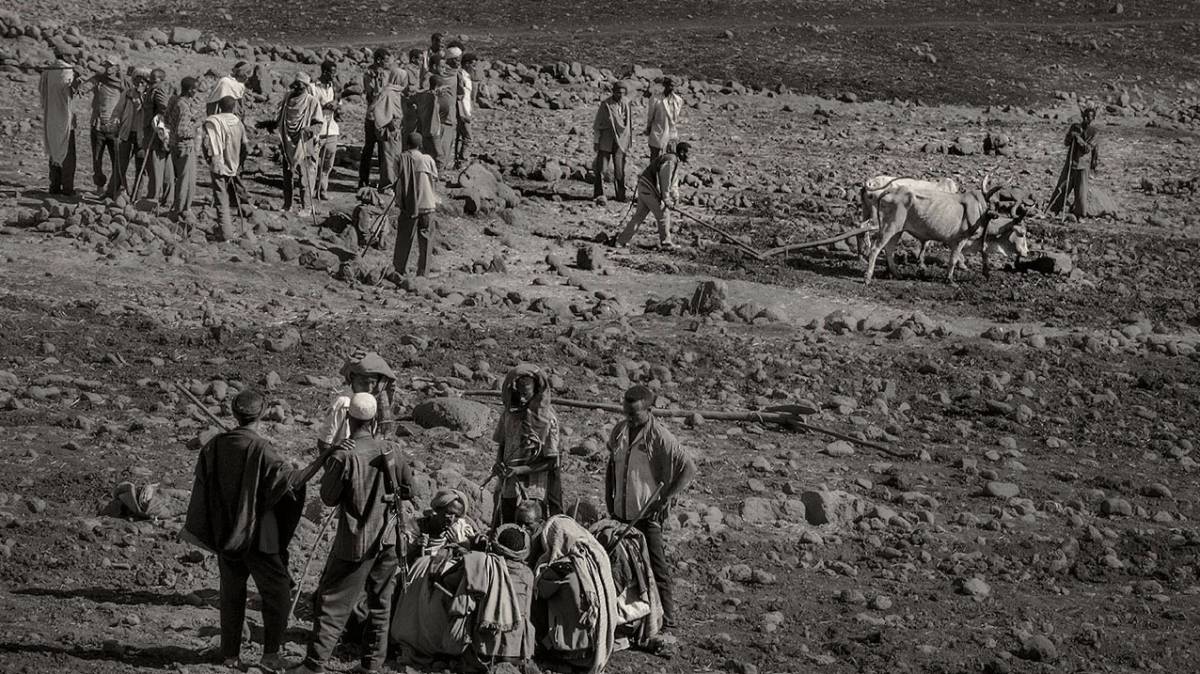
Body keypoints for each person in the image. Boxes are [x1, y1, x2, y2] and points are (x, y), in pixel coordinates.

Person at [289, 393, 412, 674]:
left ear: (349, 419)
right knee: (380, 604)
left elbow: (329, 498)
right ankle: (371, 666)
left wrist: (333, 454)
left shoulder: (344, 454)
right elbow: (410, 490)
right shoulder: (391, 449)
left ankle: (315, 665)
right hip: (389, 541)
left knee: (333, 602)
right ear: (375, 420)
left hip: (356, 541)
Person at [181, 389, 303, 671]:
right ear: (261, 415)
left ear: (235, 414)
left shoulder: (215, 446)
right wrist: (303, 467)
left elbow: (206, 486)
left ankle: (229, 655)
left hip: (226, 533)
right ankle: (271, 655)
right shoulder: (262, 449)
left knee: (232, 594)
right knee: (278, 593)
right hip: (260, 536)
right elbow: (288, 484)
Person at [604, 385, 696, 630]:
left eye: (635, 414)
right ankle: (631, 617)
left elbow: (688, 468)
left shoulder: (660, 436)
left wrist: (667, 498)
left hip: (646, 514)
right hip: (621, 514)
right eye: (627, 412)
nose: (630, 418)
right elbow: (611, 467)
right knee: (622, 566)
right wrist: (609, 499)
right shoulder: (619, 431)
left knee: (656, 566)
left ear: (650, 410)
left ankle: (668, 619)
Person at [533, 515, 619, 673]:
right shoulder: (595, 561)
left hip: (572, 652)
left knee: (534, 599)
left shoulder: (559, 569)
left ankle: (554, 656)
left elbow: (540, 593)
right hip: (599, 644)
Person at [491, 364, 562, 524]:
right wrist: (498, 464)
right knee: (505, 532)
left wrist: (518, 470)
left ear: (536, 392)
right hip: (508, 488)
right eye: (518, 393)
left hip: (534, 491)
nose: (522, 399)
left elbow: (552, 462)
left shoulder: (547, 419)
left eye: (526, 394)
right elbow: (503, 444)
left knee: (530, 531)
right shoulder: (508, 415)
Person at [590, 519, 663, 649]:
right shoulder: (626, 544)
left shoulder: (611, 551)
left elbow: (616, 585)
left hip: (626, 618)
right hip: (636, 615)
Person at [615, 141, 690, 250]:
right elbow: (665, 182)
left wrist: (676, 198)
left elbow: (673, 183)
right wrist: (666, 200)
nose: (690, 157)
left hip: (644, 188)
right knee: (663, 215)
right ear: (682, 152)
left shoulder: (674, 161)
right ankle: (666, 243)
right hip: (649, 189)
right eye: (689, 154)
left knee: (639, 217)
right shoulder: (670, 162)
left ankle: (620, 242)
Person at [319, 351, 397, 452]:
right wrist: (336, 446)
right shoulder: (343, 402)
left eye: (373, 383)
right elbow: (323, 444)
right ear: (352, 378)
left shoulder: (375, 403)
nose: (369, 388)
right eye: (363, 382)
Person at [392, 131, 438, 277]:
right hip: (428, 204)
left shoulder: (400, 158)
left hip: (409, 205)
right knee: (426, 241)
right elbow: (434, 181)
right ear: (420, 145)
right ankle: (423, 273)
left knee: (404, 239)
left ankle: (399, 270)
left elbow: (397, 180)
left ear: (407, 144)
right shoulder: (428, 159)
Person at [277, 72, 325, 213]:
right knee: (287, 176)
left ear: (306, 86)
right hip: (287, 141)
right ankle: (287, 205)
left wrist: (308, 130)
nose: (297, 86)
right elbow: (280, 117)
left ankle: (307, 207)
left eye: (301, 84)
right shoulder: (287, 98)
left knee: (305, 177)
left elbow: (318, 124)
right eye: (296, 83)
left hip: (304, 143)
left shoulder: (311, 101)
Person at [202, 96, 247, 241]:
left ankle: (225, 234)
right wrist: (239, 163)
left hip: (218, 164)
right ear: (234, 107)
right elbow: (245, 146)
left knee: (221, 199)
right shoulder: (238, 122)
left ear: (219, 107)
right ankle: (240, 230)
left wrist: (209, 160)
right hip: (233, 164)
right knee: (232, 196)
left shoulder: (213, 121)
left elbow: (206, 144)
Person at [82, 55, 124, 198]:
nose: (108, 69)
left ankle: (115, 188)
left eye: (111, 66)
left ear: (117, 68)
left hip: (114, 128)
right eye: (106, 66)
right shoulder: (98, 80)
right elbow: (84, 87)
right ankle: (99, 185)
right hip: (98, 125)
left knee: (117, 160)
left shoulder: (123, 84)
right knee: (97, 159)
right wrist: (80, 84)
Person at [1049, 106, 1100, 219]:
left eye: (1090, 117)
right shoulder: (1074, 127)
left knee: (1081, 192)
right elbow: (1066, 143)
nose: (1087, 118)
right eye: (1085, 116)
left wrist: (1078, 139)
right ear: (1082, 116)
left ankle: (1080, 214)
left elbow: (1087, 149)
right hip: (1071, 162)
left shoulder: (1094, 132)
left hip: (1083, 165)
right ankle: (1052, 210)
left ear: (1093, 118)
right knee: (1062, 187)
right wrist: (1071, 137)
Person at [167, 76, 206, 221]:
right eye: (195, 90)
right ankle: (180, 209)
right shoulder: (183, 106)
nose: (196, 92)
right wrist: (196, 125)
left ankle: (179, 208)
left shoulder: (174, 100)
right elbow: (182, 132)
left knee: (182, 177)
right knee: (186, 179)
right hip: (184, 146)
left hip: (174, 144)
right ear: (190, 90)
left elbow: (167, 120)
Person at [369, 66, 412, 189]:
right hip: (390, 130)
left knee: (394, 157)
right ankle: (388, 185)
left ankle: (392, 183)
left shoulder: (396, 92)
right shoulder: (388, 93)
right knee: (390, 158)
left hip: (396, 129)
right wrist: (389, 124)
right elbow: (377, 109)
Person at [39, 58, 77, 196]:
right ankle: (67, 188)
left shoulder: (48, 72)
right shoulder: (67, 72)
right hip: (65, 120)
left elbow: (41, 91)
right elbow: (73, 90)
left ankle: (54, 186)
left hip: (51, 118)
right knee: (67, 153)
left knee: (54, 151)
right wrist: (77, 76)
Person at [359, 49, 395, 189]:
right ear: (379, 60)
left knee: (383, 149)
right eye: (386, 60)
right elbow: (373, 94)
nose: (388, 63)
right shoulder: (369, 74)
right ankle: (363, 180)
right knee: (368, 148)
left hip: (384, 116)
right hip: (373, 116)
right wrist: (377, 81)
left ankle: (383, 180)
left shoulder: (387, 74)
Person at [592, 82, 632, 202]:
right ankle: (599, 194)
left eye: (622, 93)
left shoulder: (626, 104)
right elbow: (598, 124)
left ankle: (621, 196)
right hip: (606, 139)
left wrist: (628, 142)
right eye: (618, 92)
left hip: (621, 140)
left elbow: (628, 125)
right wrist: (596, 140)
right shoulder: (606, 105)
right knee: (601, 169)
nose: (620, 95)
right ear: (613, 92)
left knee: (619, 170)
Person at [114, 68, 149, 198]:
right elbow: (118, 110)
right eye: (137, 81)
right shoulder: (127, 94)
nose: (140, 84)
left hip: (142, 137)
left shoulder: (150, 97)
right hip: (126, 134)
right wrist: (116, 122)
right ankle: (118, 192)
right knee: (121, 165)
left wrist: (141, 98)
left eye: (143, 82)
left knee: (141, 168)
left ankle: (136, 196)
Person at [143, 68, 175, 208]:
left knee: (156, 166)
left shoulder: (159, 90)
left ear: (161, 78)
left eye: (154, 78)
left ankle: (153, 198)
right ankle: (168, 199)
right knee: (166, 166)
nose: (151, 80)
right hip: (163, 133)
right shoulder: (161, 89)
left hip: (157, 134)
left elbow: (165, 108)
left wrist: (158, 125)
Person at [310, 61, 341, 201]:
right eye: (331, 73)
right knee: (313, 163)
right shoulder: (313, 87)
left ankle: (322, 189)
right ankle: (310, 191)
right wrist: (323, 106)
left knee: (328, 162)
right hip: (317, 129)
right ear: (324, 72)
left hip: (331, 129)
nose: (333, 76)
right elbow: (310, 106)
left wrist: (335, 103)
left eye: (334, 73)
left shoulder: (334, 86)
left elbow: (339, 101)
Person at [427, 47, 460, 170]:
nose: (444, 68)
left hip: (446, 115)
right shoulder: (433, 79)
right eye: (441, 66)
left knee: (444, 143)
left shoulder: (450, 75)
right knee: (439, 147)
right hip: (436, 120)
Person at [644, 77, 683, 161]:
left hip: (671, 133)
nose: (671, 88)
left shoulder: (678, 101)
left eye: (673, 86)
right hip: (657, 131)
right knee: (655, 157)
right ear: (665, 85)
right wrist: (648, 127)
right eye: (669, 86)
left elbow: (676, 118)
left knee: (669, 158)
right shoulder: (655, 99)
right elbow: (650, 116)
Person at [454, 53, 478, 169]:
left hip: (466, 109)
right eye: (473, 65)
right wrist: (464, 112)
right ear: (467, 64)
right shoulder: (460, 75)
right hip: (462, 110)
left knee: (461, 136)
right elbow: (460, 96)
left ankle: (457, 162)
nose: (474, 68)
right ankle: (462, 161)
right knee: (468, 137)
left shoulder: (467, 76)